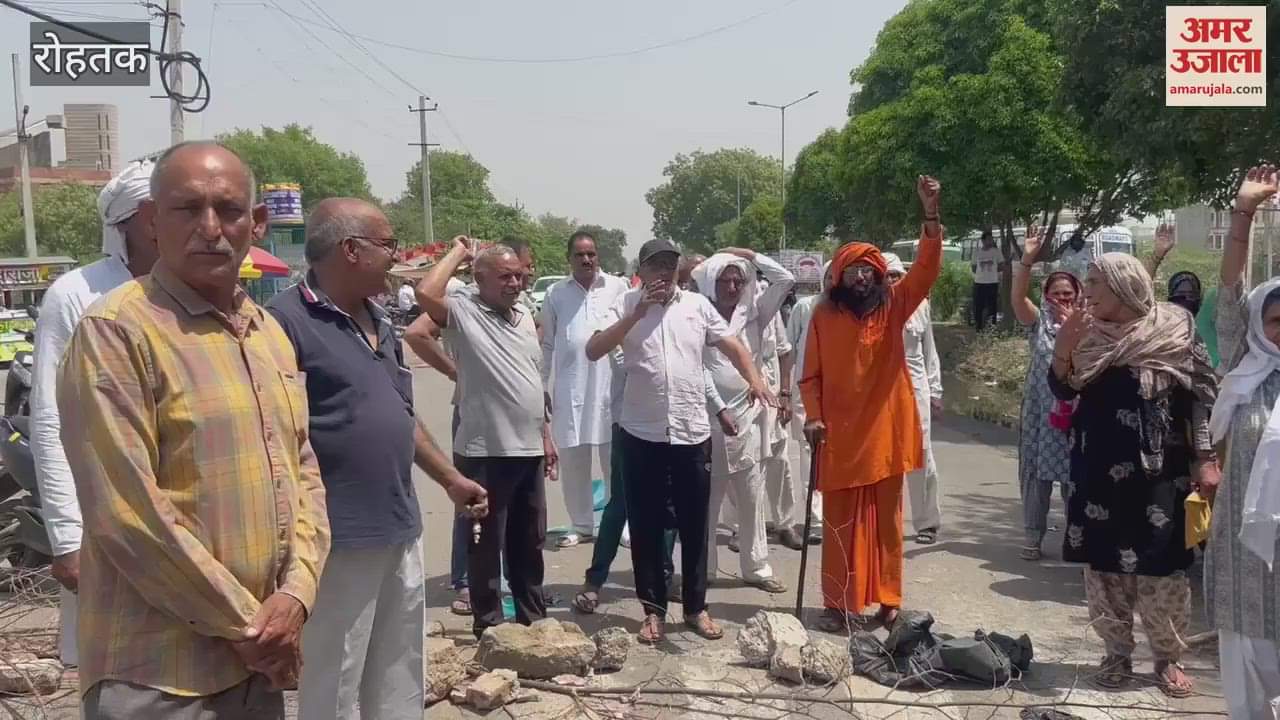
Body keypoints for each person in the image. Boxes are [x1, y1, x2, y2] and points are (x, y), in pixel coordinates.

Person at [57, 141, 330, 719]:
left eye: (228, 210)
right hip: (159, 676)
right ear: (153, 222)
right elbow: (126, 513)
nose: (210, 228)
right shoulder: (117, 331)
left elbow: (303, 473)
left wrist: (296, 596)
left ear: (257, 223)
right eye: (188, 208)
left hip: (256, 663)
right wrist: (252, 627)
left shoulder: (267, 333)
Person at [266, 199, 488, 720]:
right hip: (337, 539)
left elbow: (399, 413)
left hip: (400, 527)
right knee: (335, 679)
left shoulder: (379, 320)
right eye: (388, 244)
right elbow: (273, 439)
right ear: (351, 249)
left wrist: (450, 478)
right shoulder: (283, 324)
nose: (396, 256)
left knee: (399, 672)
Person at [1047, 252, 1218, 698]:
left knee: (1163, 566)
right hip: (1096, 468)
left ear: (1124, 286)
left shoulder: (1174, 327)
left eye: (1095, 283)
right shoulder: (1087, 332)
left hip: (1161, 471)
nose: (1086, 292)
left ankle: (1168, 657)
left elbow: (1200, 397)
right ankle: (1116, 653)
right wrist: (1064, 343)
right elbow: (1062, 387)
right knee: (1104, 565)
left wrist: (1205, 457)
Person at [586, 239, 774, 643]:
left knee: (694, 525)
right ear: (641, 271)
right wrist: (636, 314)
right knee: (646, 526)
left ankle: (695, 608)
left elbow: (733, 345)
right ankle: (652, 611)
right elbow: (594, 349)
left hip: (692, 434)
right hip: (641, 434)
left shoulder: (696, 306)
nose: (664, 273)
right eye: (655, 266)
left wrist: (755, 379)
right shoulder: (625, 304)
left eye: (670, 266)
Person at [29, 161, 159, 669]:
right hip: (105, 523)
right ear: (134, 221)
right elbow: (50, 419)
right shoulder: (76, 295)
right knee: (115, 673)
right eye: (173, 209)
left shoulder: (199, 290)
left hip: (189, 518)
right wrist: (67, 538)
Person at [801, 176, 942, 632]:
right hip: (840, 436)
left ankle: (889, 599)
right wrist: (814, 417)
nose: (860, 277)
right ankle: (837, 603)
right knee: (839, 523)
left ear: (879, 274)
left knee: (887, 524)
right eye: (852, 271)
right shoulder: (823, 315)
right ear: (838, 277)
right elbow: (810, 376)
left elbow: (926, 269)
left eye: (867, 270)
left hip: (886, 434)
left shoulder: (895, 305)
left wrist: (930, 214)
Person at [419, 237, 555, 639]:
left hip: (528, 448)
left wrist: (546, 436)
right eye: (505, 277)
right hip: (485, 451)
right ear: (479, 279)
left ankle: (532, 620)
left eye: (518, 276)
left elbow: (533, 380)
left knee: (529, 541)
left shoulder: (524, 315)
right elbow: (425, 294)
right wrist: (459, 253)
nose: (515, 283)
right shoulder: (465, 311)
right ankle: (489, 626)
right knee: (484, 545)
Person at [1205, 163, 1280, 719]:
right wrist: (1244, 212)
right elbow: (1230, 290)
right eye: (1276, 320)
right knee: (1246, 655)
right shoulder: (1243, 366)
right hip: (1243, 552)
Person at [691, 249, 794, 593]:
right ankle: (703, 570)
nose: (733, 287)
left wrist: (746, 254)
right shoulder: (699, 313)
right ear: (712, 282)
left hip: (750, 417)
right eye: (725, 280)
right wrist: (718, 407)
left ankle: (756, 567)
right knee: (706, 501)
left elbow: (785, 279)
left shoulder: (755, 313)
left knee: (752, 497)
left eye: (739, 280)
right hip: (709, 418)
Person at [541, 231, 630, 548]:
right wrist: (542, 384)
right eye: (579, 254)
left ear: (598, 256)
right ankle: (581, 524)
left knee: (615, 462)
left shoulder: (617, 287)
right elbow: (547, 343)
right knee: (574, 460)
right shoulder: (555, 293)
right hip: (571, 388)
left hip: (611, 388)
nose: (586, 259)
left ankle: (620, 524)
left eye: (591, 253)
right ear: (569, 258)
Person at [1011, 226, 1083, 561]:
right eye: (1056, 294)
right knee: (1036, 476)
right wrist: (1027, 259)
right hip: (1040, 414)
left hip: (1075, 415)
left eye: (1068, 294)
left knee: (1075, 478)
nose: (1062, 299)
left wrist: (1074, 327)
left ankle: (1077, 540)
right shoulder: (1038, 322)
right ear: (1046, 295)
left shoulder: (1088, 326)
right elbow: (1017, 299)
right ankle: (1032, 536)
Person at [884, 253, 944, 544]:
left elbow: (930, 351)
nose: (892, 281)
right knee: (884, 458)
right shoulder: (871, 308)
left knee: (921, 454)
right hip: (881, 393)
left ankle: (927, 523)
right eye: (886, 276)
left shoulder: (920, 305)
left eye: (896, 275)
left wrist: (935, 390)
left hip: (916, 389)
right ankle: (885, 522)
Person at [784, 263, 831, 547]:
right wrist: (784, 393)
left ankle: (835, 516)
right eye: (830, 277)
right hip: (806, 392)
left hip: (838, 396)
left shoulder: (851, 310)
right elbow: (788, 351)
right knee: (809, 454)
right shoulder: (805, 307)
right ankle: (815, 520)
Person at [762, 313, 802, 550]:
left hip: (772, 395)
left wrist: (785, 394)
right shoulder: (716, 302)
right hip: (737, 397)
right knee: (738, 467)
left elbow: (784, 353)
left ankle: (785, 525)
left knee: (780, 461)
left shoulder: (770, 309)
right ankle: (739, 528)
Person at [970, 229, 1002, 331]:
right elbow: (973, 267)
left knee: (992, 305)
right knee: (978, 305)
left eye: (991, 239)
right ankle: (978, 327)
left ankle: (992, 326)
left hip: (992, 282)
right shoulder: (977, 252)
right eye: (988, 239)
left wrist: (992, 272)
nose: (990, 241)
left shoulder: (996, 252)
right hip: (979, 282)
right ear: (983, 241)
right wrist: (982, 273)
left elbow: (1001, 265)